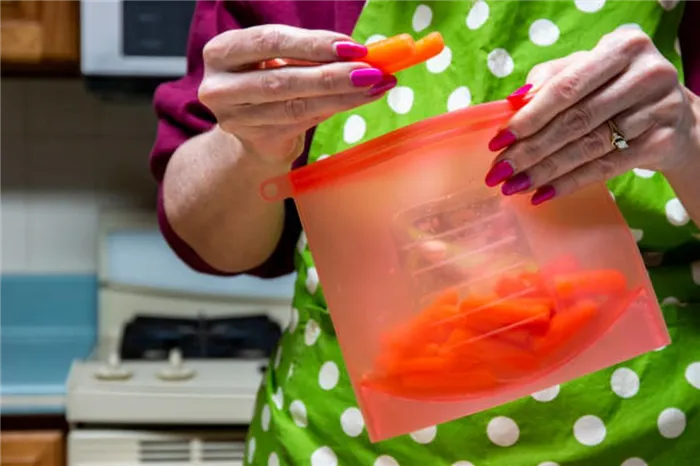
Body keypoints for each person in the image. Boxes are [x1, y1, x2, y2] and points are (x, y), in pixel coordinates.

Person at [150, 0, 700, 464]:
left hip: (652, 433)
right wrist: (250, 149)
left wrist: (686, 136)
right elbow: (216, 242)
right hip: (338, 442)